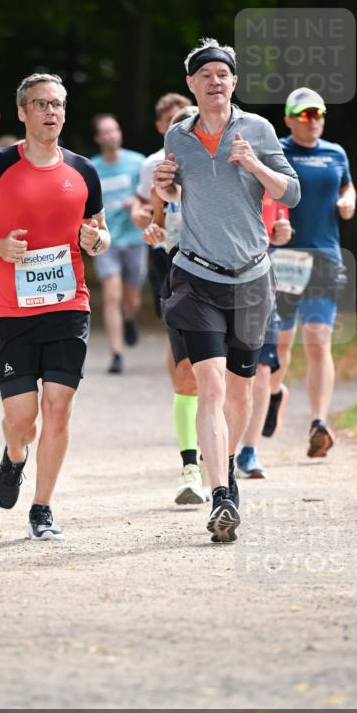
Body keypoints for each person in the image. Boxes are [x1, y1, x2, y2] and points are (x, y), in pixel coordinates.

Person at [154, 38, 300, 542]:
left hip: (253, 279)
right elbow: (176, 194)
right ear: (191, 84)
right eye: (205, 75)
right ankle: (220, 496)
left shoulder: (257, 129)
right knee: (211, 388)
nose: (215, 81)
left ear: (234, 82)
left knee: (241, 390)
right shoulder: (178, 136)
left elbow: (291, 190)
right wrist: (165, 185)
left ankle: (229, 466)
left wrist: (254, 165)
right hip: (196, 276)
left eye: (224, 74)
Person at [0, 73, 109, 540]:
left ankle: (42, 507)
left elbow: (100, 235)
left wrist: (95, 240)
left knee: (59, 409)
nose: (51, 113)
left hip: (69, 305)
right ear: (22, 113)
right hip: (13, 310)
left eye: (58, 105)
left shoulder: (83, 170)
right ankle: (14, 456)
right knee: (22, 419)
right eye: (41, 104)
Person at [264, 87, 356, 458]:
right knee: (282, 343)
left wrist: (349, 198)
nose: (312, 120)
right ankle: (272, 395)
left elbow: (348, 184)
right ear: (288, 120)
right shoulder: (278, 153)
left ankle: (319, 423)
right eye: (303, 115)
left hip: (325, 255)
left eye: (317, 113)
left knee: (318, 339)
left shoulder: (336, 152)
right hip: (286, 257)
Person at [137, 100, 209, 505]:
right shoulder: (162, 183)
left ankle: (224, 460)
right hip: (177, 277)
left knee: (224, 379)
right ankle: (190, 469)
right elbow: (158, 226)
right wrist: (153, 231)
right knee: (186, 374)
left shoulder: (223, 176)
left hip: (223, 279)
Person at [235, 195, 293, 478]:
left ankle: (249, 450)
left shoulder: (271, 177)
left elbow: (281, 230)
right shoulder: (214, 168)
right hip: (212, 281)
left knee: (261, 369)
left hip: (260, 283)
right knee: (219, 370)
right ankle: (219, 444)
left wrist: (284, 234)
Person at [90, 114, 146, 373]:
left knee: (131, 297)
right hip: (105, 238)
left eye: (115, 130)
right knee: (112, 294)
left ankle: (130, 316)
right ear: (98, 138)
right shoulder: (91, 168)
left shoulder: (138, 163)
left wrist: (135, 204)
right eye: (106, 132)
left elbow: (151, 197)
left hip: (134, 238)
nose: (112, 135)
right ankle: (116, 354)